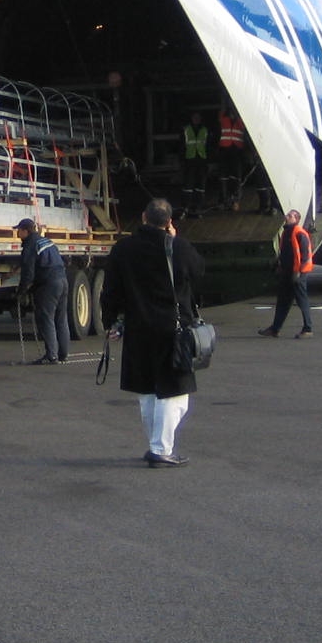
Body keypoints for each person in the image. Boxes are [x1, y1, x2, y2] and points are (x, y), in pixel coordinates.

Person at [98, 198, 205, 467]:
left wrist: (112, 321)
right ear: (169, 222)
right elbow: (199, 274)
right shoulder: (179, 247)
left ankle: (155, 442)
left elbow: (110, 289)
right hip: (172, 329)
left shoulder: (123, 248)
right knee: (175, 393)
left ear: (144, 217)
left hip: (137, 328)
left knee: (146, 390)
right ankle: (160, 448)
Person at [16, 217, 69, 364]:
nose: (17, 233)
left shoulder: (30, 245)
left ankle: (51, 356)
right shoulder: (47, 241)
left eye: (18, 230)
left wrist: (22, 291)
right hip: (63, 280)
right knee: (61, 318)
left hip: (49, 284)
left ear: (25, 231)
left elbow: (28, 272)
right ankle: (63, 354)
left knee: (46, 318)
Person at [261, 208, 314, 338]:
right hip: (287, 272)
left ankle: (308, 329)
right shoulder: (285, 233)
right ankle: (275, 329)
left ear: (296, 219)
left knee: (302, 301)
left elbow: (306, 255)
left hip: (297, 273)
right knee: (282, 301)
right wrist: (278, 264)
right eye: (288, 214)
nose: (287, 216)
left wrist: (299, 272)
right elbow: (285, 252)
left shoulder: (299, 233)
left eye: (291, 215)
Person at [216, 106, 246, 208]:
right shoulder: (223, 119)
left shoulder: (242, 121)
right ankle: (223, 200)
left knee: (237, 177)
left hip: (237, 151)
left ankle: (235, 200)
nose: (233, 113)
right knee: (223, 177)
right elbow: (221, 110)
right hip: (224, 151)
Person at [180, 112, 210, 215]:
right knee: (188, 184)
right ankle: (186, 206)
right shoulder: (186, 129)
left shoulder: (205, 130)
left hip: (202, 160)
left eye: (198, 117)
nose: (196, 119)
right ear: (191, 118)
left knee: (200, 185)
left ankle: (198, 207)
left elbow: (209, 145)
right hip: (190, 160)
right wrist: (182, 161)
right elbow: (181, 145)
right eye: (194, 117)